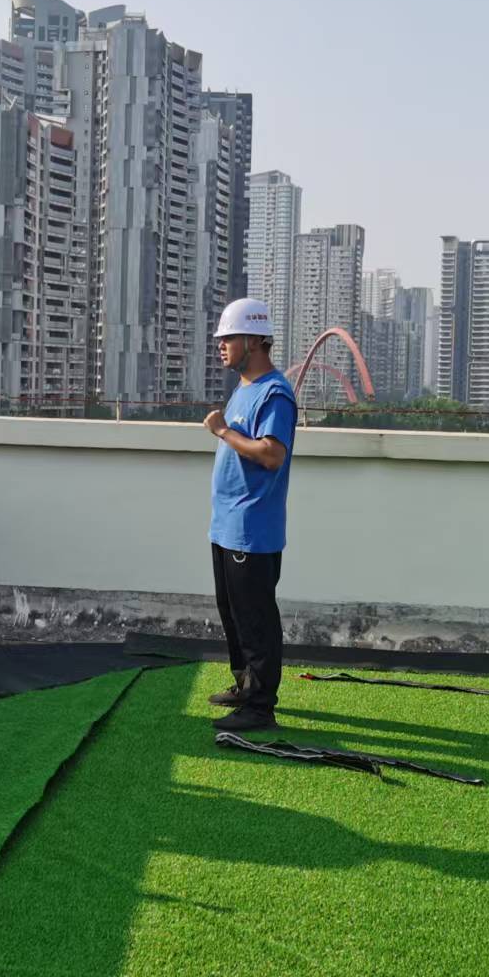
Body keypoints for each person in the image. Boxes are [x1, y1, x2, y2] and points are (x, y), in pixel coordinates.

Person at [201, 298, 298, 732]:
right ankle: (244, 686)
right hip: (226, 525)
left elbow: (271, 454)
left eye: (228, 338)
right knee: (232, 612)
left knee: (256, 618)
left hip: (252, 528)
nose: (221, 345)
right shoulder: (244, 389)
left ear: (254, 340)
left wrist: (223, 431)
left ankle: (260, 706)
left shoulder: (275, 393)